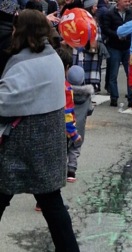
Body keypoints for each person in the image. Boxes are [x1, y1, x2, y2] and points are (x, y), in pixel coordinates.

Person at [0, 9, 79, 251]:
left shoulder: (23, 62)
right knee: (53, 204)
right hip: (48, 144)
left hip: (21, 144)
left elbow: (5, 101)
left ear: (22, 30)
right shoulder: (53, 57)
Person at [102, 0, 132, 107]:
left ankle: (131, 98)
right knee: (113, 74)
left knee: (130, 73)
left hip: (127, 47)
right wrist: (118, 35)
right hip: (114, 47)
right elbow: (105, 29)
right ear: (119, 2)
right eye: (125, 1)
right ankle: (114, 98)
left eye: (129, 1)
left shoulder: (131, 13)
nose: (128, 3)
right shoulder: (109, 13)